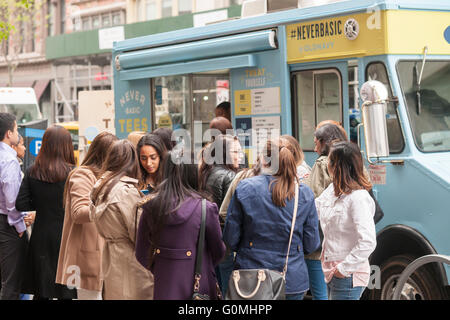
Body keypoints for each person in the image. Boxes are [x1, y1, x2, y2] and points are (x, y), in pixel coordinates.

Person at [223, 138, 321, 300]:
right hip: (291, 277)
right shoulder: (304, 193)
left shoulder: (245, 188)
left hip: (251, 277)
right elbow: (311, 244)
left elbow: (230, 238)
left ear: (263, 160)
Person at [135, 150, 226, 300]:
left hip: (164, 284)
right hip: (199, 286)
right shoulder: (205, 208)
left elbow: (141, 252)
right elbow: (219, 251)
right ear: (192, 172)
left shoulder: (151, 206)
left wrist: (162, 268)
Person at [15, 125, 76, 299]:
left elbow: (21, 203)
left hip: (41, 237)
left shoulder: (33, 171)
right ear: (66, 145)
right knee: (68, 291)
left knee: (42, 290)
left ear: (45, 144)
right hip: (67, 239)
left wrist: (40, 204)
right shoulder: (73, 173)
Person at [55, 132, 118, 300]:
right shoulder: (82, 174)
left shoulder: (108, 177)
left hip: (106, 256)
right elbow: (79, 212)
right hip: (88, 258)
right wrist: (108, 204)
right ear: (104, 155)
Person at [90, 139, 153, 300]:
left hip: (111, 258)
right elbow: (139, 232)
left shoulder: (101, 187)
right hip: (132, 260)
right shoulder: (125, 191)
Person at [315, 141, 376, 300]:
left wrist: (343, 269)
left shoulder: (358, 198)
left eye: (329, 160)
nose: (326, 163)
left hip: (349, 274)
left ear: (336, 166)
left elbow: (368, 241)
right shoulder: (332, 190)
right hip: (331, 271)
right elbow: (313, 209)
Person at [302, 123, 348, 300]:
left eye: (316, 143)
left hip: (321, 244)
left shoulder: (323, 162)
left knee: (321, 295)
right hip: (345, 243)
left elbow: (311, 199)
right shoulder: (352, 157)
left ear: (324, 142)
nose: (314, 149)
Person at [198, 134, 242, 295]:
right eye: (235, 152)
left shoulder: (205, 171)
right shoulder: (229, 176)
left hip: (209, 240)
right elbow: (232, 213)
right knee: (229, 291)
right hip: (226, 242)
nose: (240, 155)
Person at [0, 113, 31, 300]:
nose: (18, 133)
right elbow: (13, 201)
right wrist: (20, 226)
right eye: (17, 129)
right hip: (8, 226)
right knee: (11, 284)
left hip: (4, 223)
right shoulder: (9, 160)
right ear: (8, 133)